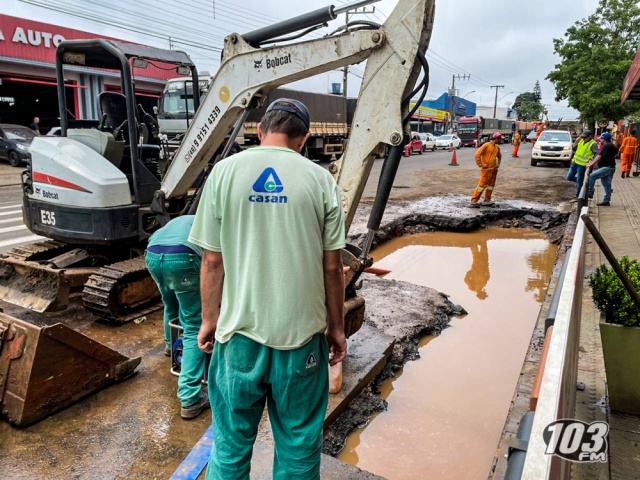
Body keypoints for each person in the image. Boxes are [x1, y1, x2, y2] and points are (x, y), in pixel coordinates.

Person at [189, 98, 347, 479]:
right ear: (304, 138)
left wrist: (209, 320)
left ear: (260, 131)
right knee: (297, 447)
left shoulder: (224, 173)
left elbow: (212, 261)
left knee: (230, 445)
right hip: (301, 343)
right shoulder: (322, 180)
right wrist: (337, 328)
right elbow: (332, 268)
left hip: (239, 338)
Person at [145, 215, 209, 419]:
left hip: (154, 255)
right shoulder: (214, 222)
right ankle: (190, 397)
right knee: (193, 324)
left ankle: (169, 346)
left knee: (170, 304)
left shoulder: (186, 219)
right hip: (183, 257)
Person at [470, 132, 503, 208]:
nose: (501, 141)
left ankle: (487, 200)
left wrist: (498, 164)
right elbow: (477, 155)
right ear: (496, 139)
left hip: (493, 170)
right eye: (500, 139)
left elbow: (499, 156)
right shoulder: (486, 145)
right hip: (486, 170)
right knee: (481, 185)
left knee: (491, 186)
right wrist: (481, 165)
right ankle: (474, 201)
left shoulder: (497, 147)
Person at [586, 132, 618, 207]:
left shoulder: (607, 145)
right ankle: (606, 200)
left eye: (601, 139)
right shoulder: (611, 145)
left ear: (604, 139)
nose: (600, 140)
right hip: (610, 167)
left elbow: (599, 156)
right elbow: (616, 151)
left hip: (608, 167)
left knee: (592, 176)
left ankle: (590, 193)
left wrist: (591, 163)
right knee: (606, 184)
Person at [567, 130, 598, 199]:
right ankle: (584, 184)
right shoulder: (581, 141)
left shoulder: (593, 143)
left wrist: (592, 162)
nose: (583, 139)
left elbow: (596, 154)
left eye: (585, 137)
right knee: (569, 177)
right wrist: (576, 141)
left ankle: (578, 195)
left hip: (582, 165)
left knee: (579, 182)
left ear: (590, 137)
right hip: (575, 163)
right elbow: (573, 148)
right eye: (583, 137)